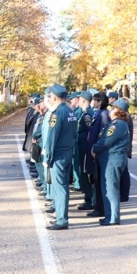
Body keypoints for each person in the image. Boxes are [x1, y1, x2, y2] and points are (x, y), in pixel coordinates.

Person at [91, 99, 131, 225]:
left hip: (113, 159)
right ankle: (109, 215)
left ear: (119, 111)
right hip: (110, 158)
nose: (110, 110)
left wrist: (95, 148)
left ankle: (113, 218)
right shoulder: (116, 123)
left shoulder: (118, 125)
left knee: (111, 188)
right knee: (107, 187)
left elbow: (106, 141)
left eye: (113, 108)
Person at [44, 84, 77, 230]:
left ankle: (62, 220)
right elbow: (74, 134)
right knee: (62, 185)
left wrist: (48, 157)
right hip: (68, 151)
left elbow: (51, 138)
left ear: (55, 97)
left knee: (59, 187)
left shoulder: (57, 114)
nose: (49, 99)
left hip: (58, 154)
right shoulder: (70, 112)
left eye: (50, 96)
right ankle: (59, 216)